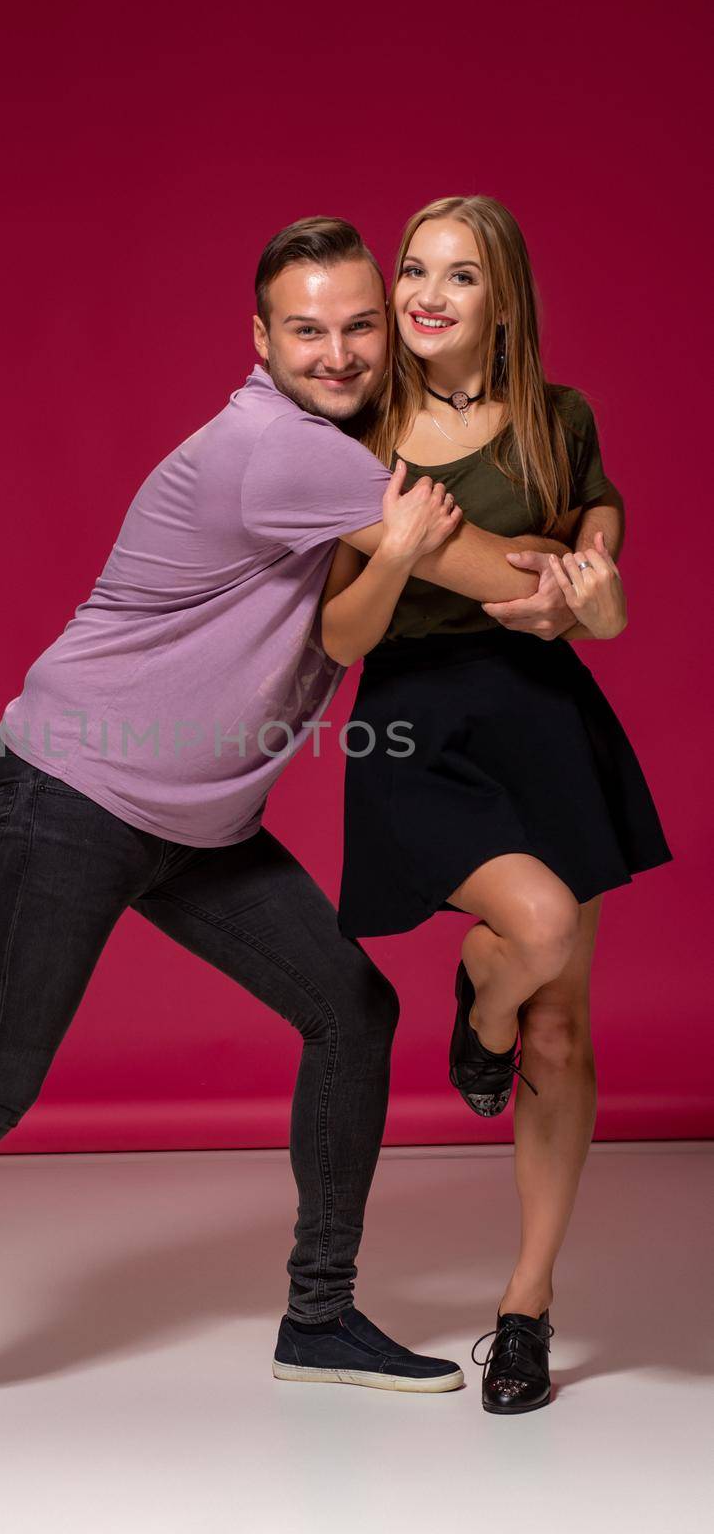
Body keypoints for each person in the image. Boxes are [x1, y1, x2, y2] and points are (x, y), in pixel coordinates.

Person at [0, 216, 576, 1441]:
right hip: (79, 789)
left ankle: (317, 1316)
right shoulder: (284, 452)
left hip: (198, 820)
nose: (337, 351)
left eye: (356, 324)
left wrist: (565, 550)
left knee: (350, 1011)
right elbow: (500, 576)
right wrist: (582, 571)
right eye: (306, 330)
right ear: (258, 339)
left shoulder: (342, 450)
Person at [319, 195, 673, 1416]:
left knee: (565, 1033)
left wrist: (593, 594)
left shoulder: (555, 417)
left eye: (455, 276)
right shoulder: (357, 434)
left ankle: (523, 1308)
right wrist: (423, 556)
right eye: (411, 268)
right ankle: (477, 1017)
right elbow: (336, 624)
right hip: (411, 714)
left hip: (538, 716)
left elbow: (597, 556)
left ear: (501, 298)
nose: (422, 293)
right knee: (537, 929)